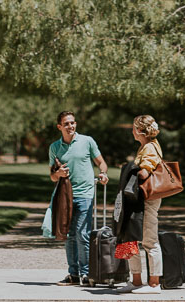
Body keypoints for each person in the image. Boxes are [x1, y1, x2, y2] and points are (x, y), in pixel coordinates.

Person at [48, 110, 109, 287]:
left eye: (73, 122)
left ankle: (86, 273)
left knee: (82, 234)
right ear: (59, 126)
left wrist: (103, 173)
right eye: (66, 124)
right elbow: (52, 176)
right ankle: (73, 274)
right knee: (69, 235)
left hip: (85, 194)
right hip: (65, 196)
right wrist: (58, 173)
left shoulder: (87, 141)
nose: (70, 126)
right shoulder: (54, 147)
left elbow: (101, 162)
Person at [125, 114, 164, 294]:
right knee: (131, 237)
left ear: (140, 130)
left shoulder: (149, 148)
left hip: (148, 199)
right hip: (138, 199)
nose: (132, 130)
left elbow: (144, 174)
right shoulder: (145, 146)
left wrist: (131, 169)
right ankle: (136, 281)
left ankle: (155, 284)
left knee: (149, 239)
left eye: (134, 127)